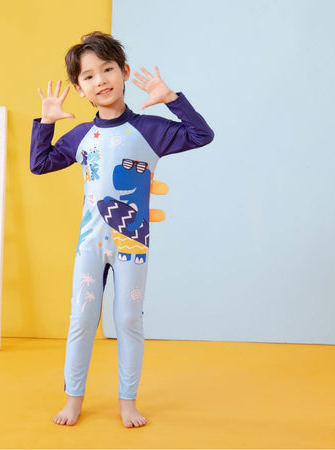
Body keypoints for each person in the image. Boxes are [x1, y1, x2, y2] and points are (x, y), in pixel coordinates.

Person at [30, 31, 214, 428]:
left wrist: (172, 99)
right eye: (89, 76)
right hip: (90, 244)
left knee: (129, 319)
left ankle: (127, 402)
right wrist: (46, 122)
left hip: (132, 241)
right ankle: (73, 400)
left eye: (108, 70)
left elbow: (202, 135)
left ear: (124, 72)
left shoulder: (150, 129)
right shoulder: (81, 136)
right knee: (81, 320)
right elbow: (39, 163)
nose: (101, 81)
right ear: (79, 89)